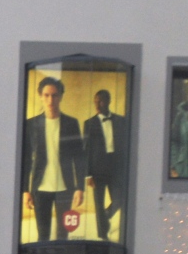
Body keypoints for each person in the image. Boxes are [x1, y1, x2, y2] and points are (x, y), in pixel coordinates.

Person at [22, 76, 86, 244]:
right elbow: (27, 159)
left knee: (63, 234)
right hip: (41, 186)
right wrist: (25, 190)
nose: (51, 99)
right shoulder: (31, 124)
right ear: (41, 96)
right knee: (42, 233)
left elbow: (78, 157)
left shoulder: (71, 124)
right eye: (47, 95)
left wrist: (80, 187)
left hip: (64, 186)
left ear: (61, 97)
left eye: (55, 95)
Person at [83, 88, 127, 239]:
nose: (97, 104)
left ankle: (106, 217)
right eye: (95, 101)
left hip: (115, 167)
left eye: (100, 101)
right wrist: (87, 174)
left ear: (108, 101)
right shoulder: (89, 124)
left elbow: (125, 146)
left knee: (120, 199)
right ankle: (103, 235)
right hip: (97, 169)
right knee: (98, 203)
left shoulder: (120, 121)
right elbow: (86, 151)